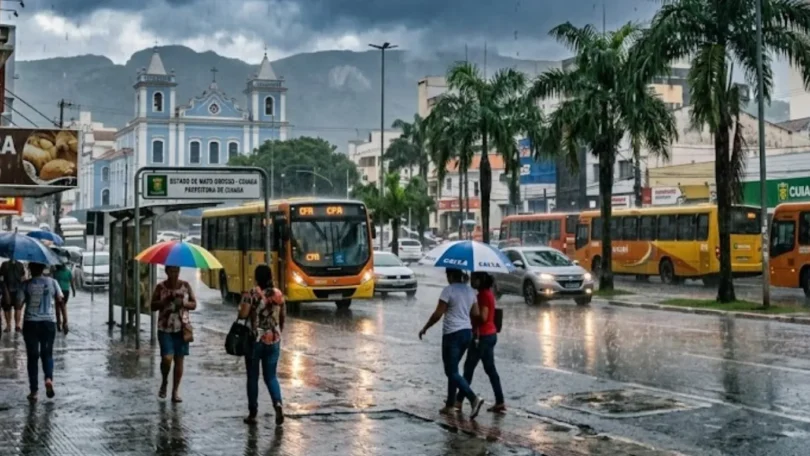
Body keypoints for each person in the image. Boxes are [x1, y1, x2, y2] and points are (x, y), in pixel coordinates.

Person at [418, 268, 485, 419]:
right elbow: (475, 314)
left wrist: (425, 327)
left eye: (447, 275)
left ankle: (473, 398)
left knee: (451, 371)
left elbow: (438, 313)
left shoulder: (448, 291)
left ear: (450, 275)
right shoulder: (470, 292)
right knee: (453, 370)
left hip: (452, 334)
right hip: (466, 333)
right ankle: (450, 404)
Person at [238, 264, 286, 426]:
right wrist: (279, 330)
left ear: (257, 277)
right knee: (271, 376)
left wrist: (244, 306)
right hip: (273, 338)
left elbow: (243, 314)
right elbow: (283, 315)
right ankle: (278, 403)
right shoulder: (278, 293)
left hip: (255, 340)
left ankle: (253, 413)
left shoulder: (252, 293)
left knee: (253, 377)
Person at [456, 272, 505, 413]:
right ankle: (500, 401)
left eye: (474, 279)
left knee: (468, 368)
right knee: (490, 369)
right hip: (490, 334)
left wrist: (471, 313)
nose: (471, 281)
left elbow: (483, 317)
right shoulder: (487, 293)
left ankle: (459, 401)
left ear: (480, 280)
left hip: (482, 337)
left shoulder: (483, 295)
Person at [151, 265, 196, 403]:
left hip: (182, 328)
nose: (175, 274)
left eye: (177, 271)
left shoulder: (185, 285)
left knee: (179, 359)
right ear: (166, 272)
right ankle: (164, 381)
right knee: (167, 358)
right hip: (164, 329)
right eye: (172, 271)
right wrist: (164, 302)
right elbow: (152, 305)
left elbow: (194, 304)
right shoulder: (160, 287)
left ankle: (175, 391)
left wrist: (183, 303)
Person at [21, 262, 63, 402]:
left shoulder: (26, 284)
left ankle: (34, 392)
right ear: (42, 268)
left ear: (30, 269)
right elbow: (60, 298)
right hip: (48, 322)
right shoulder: (52, 282)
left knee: (32, 356)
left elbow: (19, 302)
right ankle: (48, 379)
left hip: (31, 323)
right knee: (47, 353)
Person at [1, 259, 26, 332]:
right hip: (7, 288)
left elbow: (23, 276)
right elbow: (1, 279)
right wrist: (5, 290)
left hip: (18, 289)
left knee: (18, 308)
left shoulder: (20, 265)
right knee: (7, 307)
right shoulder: (5, 264)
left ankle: (17, 325)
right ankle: (8, 325)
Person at [52, 262, 75, 334]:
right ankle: (65, 323)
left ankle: (59, 323)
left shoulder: (56, 273)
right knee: (63, 306)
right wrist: (74, 291)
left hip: (58, 292)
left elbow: (53, 283)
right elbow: (72, 282)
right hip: (66, 291)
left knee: (58, 307)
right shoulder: (68, 272)